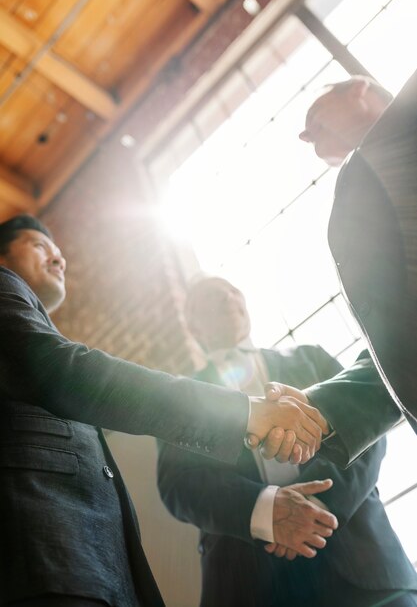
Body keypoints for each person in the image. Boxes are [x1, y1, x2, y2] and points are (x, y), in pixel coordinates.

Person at [0, 215, 330, 607]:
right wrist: (241, 413)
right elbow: (57, 369)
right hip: (44, 562)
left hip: (86, 570)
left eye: (60, 253)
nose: (59, 260)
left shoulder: (311, 359)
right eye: (39, 246)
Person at [157, 276, 417, 607]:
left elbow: (366, 432)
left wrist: (318, 508)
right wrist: (266, 510)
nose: (228, 298)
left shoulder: (311, 358)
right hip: (249, 583)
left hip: (364, 564)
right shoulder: (184, 397)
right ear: (193, 327)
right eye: (213, 296)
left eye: (233, 291)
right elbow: (179, 484)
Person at [264, 70, 417, 469]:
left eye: (315, 112)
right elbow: (400, 337)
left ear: (359, 88)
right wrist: (320, 404)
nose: (304, 135)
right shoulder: (360, 183)